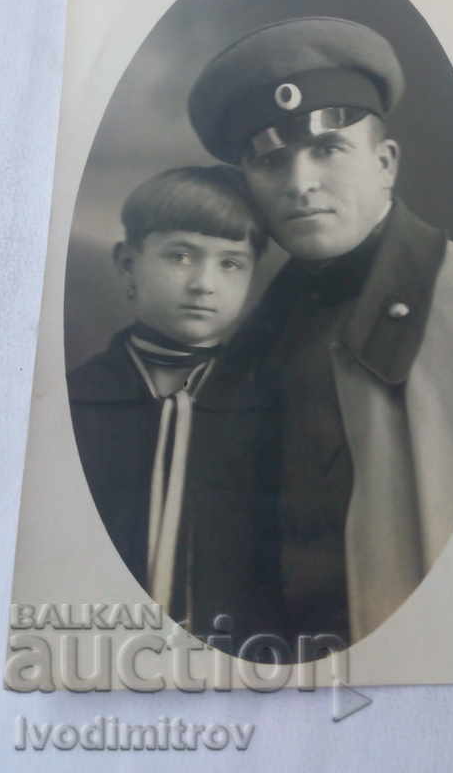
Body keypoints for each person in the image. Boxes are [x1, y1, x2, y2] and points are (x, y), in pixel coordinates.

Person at [188, 16, 453, 649]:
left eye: (328, 150)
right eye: (272, 160)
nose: (300, 183)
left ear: (385, 163)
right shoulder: (249, 341)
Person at [67, 165, 276, 642]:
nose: (204, 283)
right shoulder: (76, 401)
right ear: (127, 264)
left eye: (230, 263)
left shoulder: (268, 409)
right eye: (181, 256)